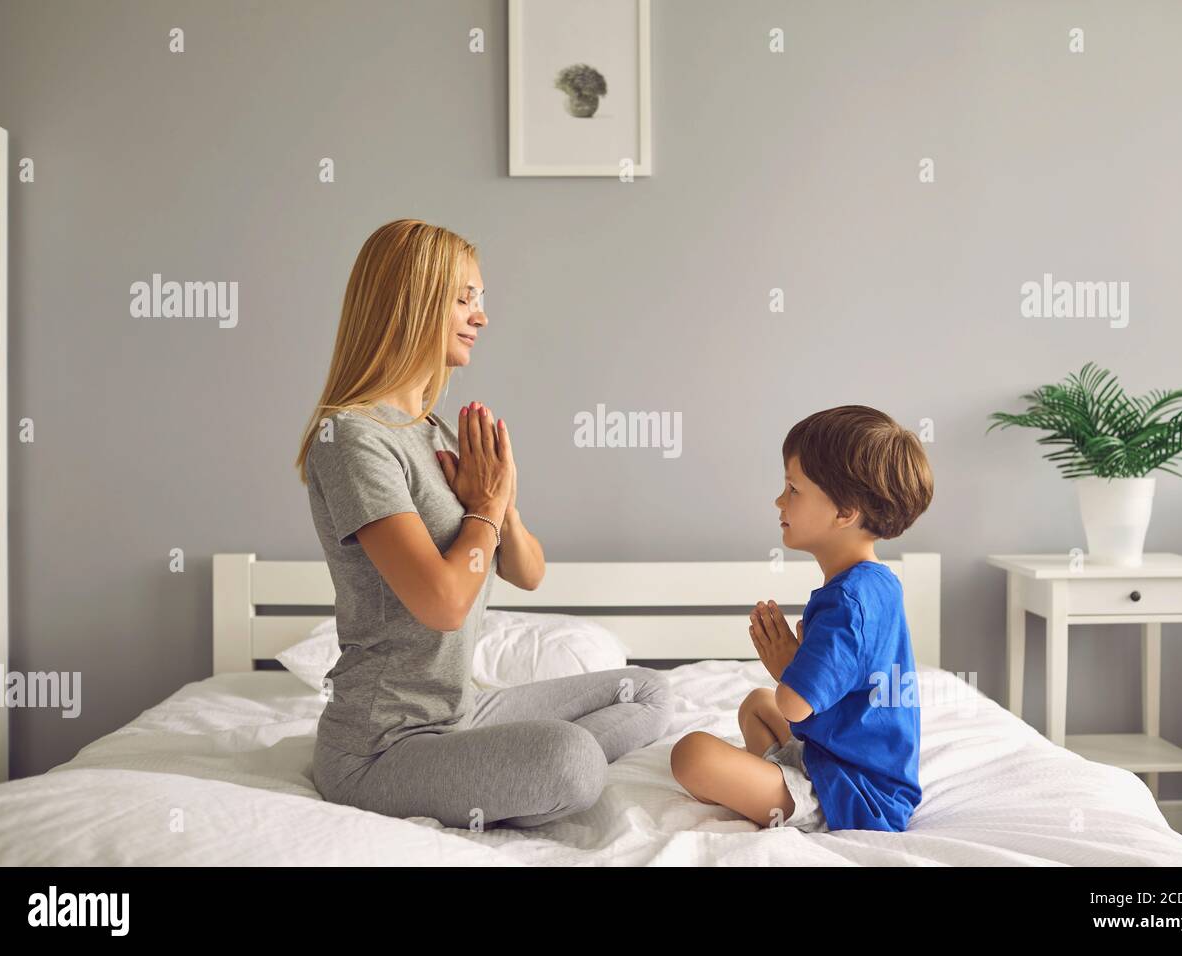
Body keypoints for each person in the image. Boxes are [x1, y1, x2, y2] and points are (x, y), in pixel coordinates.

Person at [296, 219, 673, 828]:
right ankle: (530, 780)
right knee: (572, 760)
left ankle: (514, 780)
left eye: (482, 299)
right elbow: (443, 604)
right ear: (411, 302)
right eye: (465, 297)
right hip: (381, 745)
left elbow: (529, 572)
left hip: (462, 709)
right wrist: (484, 508)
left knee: (647, 692)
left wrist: (505, 504)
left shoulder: (438, 433)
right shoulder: (352, 438)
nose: (482, 316)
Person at [670, 405, 933, 833]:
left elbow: (793, 702)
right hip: (848, 760)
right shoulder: (876, 583)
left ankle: (782, 799)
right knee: (756, 704)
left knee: (692, 754)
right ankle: (771, 786)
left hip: (854, 792)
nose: (779, 500)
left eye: (793, 488)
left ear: (845, 511)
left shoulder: (849, 601)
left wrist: (785, 665)